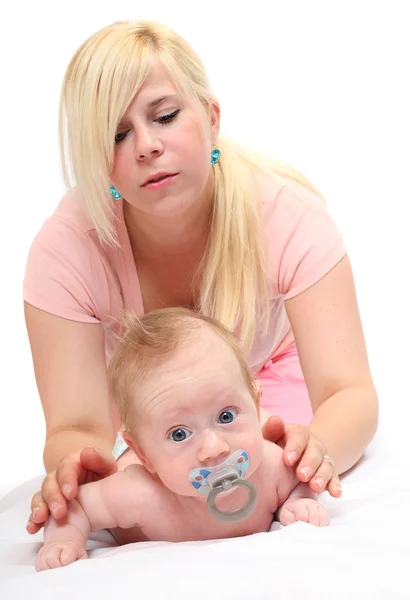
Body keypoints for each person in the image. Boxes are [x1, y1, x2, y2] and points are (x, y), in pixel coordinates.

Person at [24, 19, 378, 536]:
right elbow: (77, 425)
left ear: (211, 118)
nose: (146, 145)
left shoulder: (288, 217)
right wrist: (81, 468)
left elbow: (349, 394)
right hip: (154, 402)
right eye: (116, 134)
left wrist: (313, 447)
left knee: (262, 468)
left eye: (165, 116)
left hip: (269, 377)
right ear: (99, 164)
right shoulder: (66, 250)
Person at [35, 308, 330, 571]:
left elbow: (300, 479)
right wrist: (65, 538)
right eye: (180, 434)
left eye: (226, 416)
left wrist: (299, 499)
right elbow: (77, 506)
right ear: (145, 455)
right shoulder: (137, 493)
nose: (213, 449)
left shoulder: (271, 466)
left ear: (255, 406)